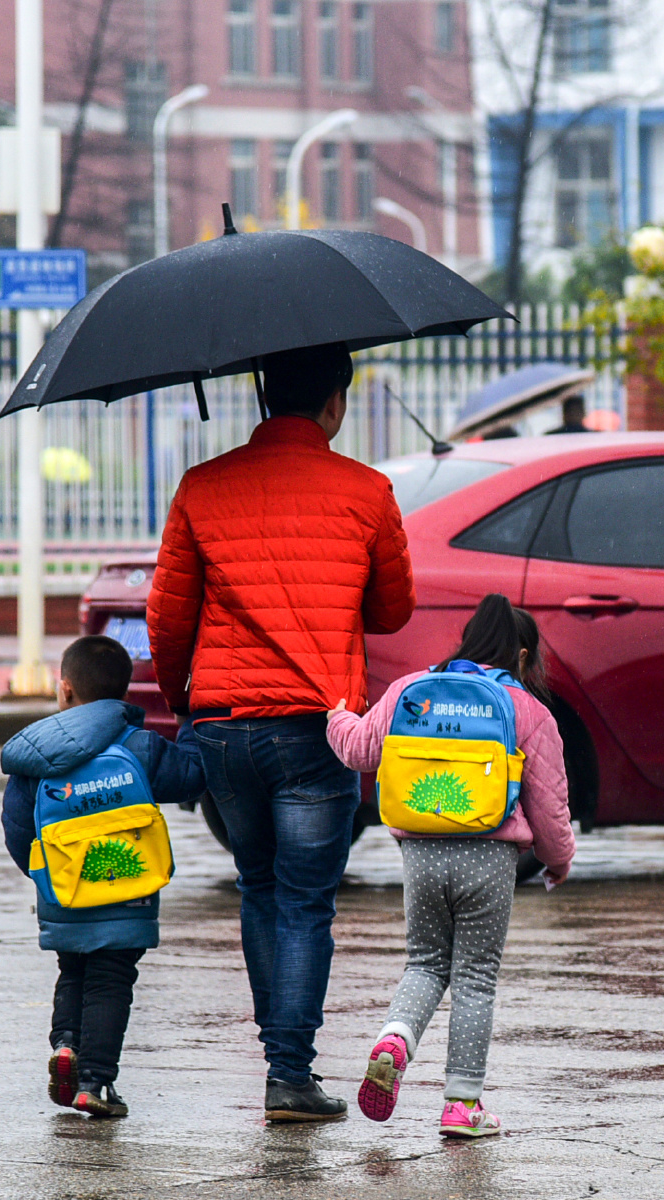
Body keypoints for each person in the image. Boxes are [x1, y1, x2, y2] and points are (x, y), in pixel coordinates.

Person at [147, 341, 416, 1122]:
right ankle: (288, 1075)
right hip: (314, 727)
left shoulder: (201, 487)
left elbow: (168, 618)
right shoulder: (366, 491)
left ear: (263, 396)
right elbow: (392, 610)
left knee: (259, 888)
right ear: (335, 401)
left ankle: (282, 1066)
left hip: (223, 725)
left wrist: (183, 705)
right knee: (304, 903)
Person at [326, 594, 575, 1137]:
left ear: (467, 641)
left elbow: (359, 750)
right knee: (475, 978)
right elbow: (550, 806)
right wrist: (557, 861)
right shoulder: (527, 710)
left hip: (420, 853)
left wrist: (337, 716)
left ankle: (394, 1037)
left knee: (424, 964)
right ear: (522, 656)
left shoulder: (411, 689)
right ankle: (462, 1106)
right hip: (488, 857)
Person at [0, 635, 205, 1118]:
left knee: (73, 969)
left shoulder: (35, 752)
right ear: (124, 693)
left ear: (65, 688)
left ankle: (66, 1045)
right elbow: (192, 776)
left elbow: (17, 828)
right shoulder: (139, 745)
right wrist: (190, 723)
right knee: (111, 978)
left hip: (63, 887)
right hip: (127, 891)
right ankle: (95, 1082)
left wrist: (46, 879)